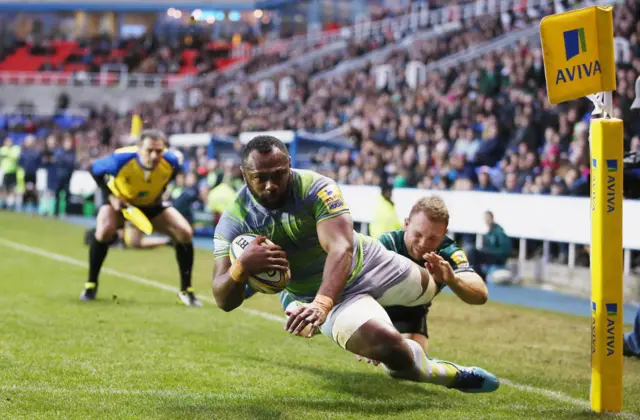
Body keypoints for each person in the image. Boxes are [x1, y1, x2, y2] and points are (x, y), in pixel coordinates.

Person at [212, 135, 499, 393]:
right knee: (391, 349)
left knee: (430, 285)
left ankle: (394, 319)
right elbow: (223, 299)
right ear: (244, 174)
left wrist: (321, 305)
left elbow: (341, 246)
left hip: (368, 262)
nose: (271, 185)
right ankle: (445, 373)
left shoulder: (316, 187)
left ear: (289, 164)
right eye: (260, 177)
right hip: (313, 295)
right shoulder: (234, 220)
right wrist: (241, 268)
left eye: (278, 174)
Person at [80, 129, 202, 307]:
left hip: (151, 204)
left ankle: (187, 291)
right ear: (139, 149)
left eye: (159, 151)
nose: (154, 155)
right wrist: (112, 198)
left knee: (184, 232)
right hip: (122, 203)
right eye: (149, 151)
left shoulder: (171, 161)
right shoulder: (120, 160)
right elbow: (93, 169)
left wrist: (160, 192)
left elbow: (173, 174)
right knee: (104, 230)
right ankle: (91, 284)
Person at [466, 211, 512, 280]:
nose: (487, 220)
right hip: (492, 255)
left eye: (488, 218)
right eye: (485, 218)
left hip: (498, 257)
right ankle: (478, 275)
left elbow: (505, 249)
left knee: (472, 251)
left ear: (492, 218)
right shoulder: (489, 233)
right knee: (472, 251)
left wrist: (490, 251)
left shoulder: (498, 231)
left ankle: (479, 276)